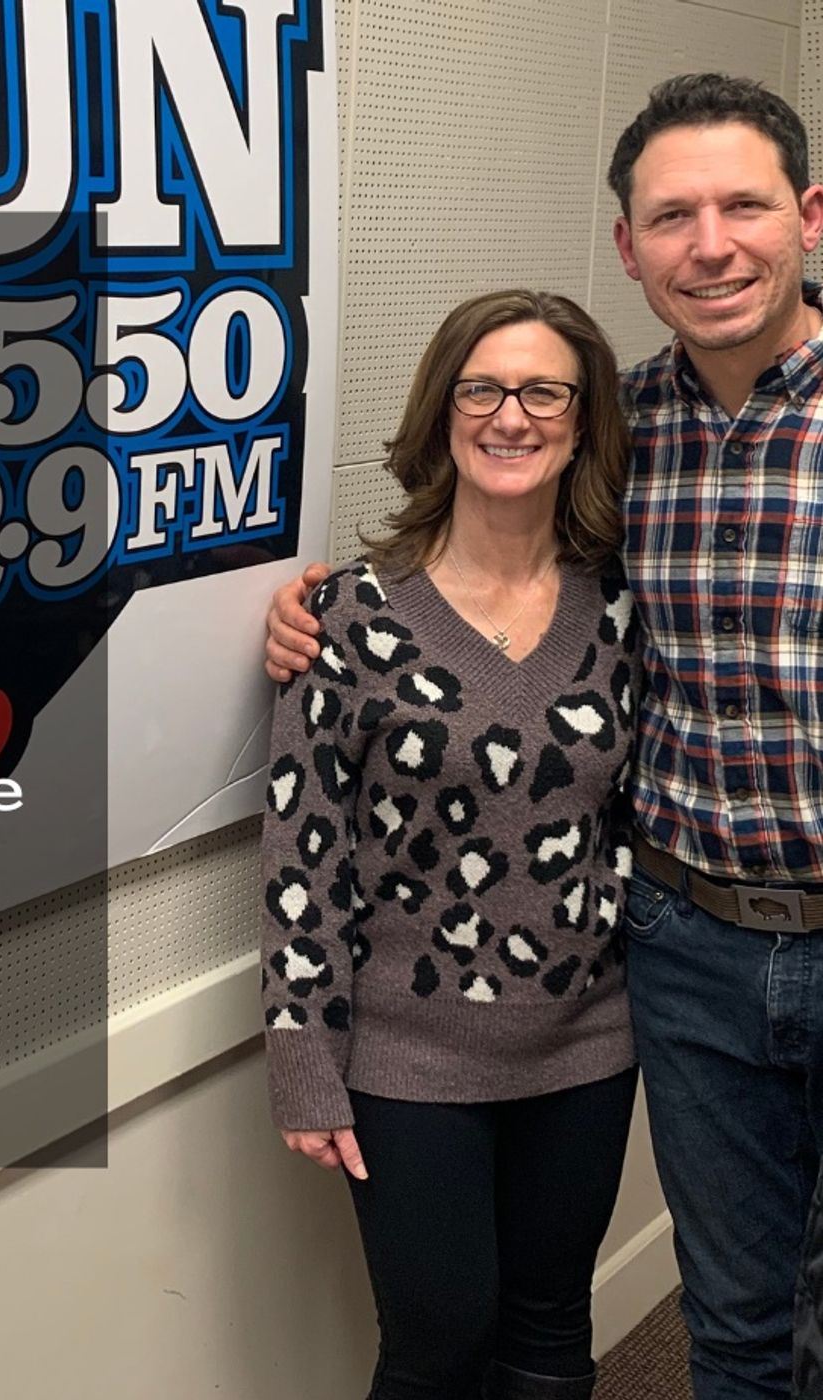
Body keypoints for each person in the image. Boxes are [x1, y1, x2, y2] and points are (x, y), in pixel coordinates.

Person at [264, 75, 823, 1400]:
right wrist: (306, 612)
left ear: (808, 216)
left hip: (604, 1008)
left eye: (742, 206)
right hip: (688, 950)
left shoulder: (606, 471)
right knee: (734, 1321)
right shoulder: (631, 430)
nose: (710, 244)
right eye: (671, 215)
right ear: (627, 244)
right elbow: (316, 836)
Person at [262, 287, 640, 1400]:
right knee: (438, 1344)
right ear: (442, 412)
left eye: (543, 392)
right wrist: (302, 1059)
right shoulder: (345, 617)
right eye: (481, 390)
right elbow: (303, 854)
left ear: (582, 420)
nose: (510, 417)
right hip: (406, 1058)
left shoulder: (628, 606)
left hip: (586, 1044)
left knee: (549, 1334)